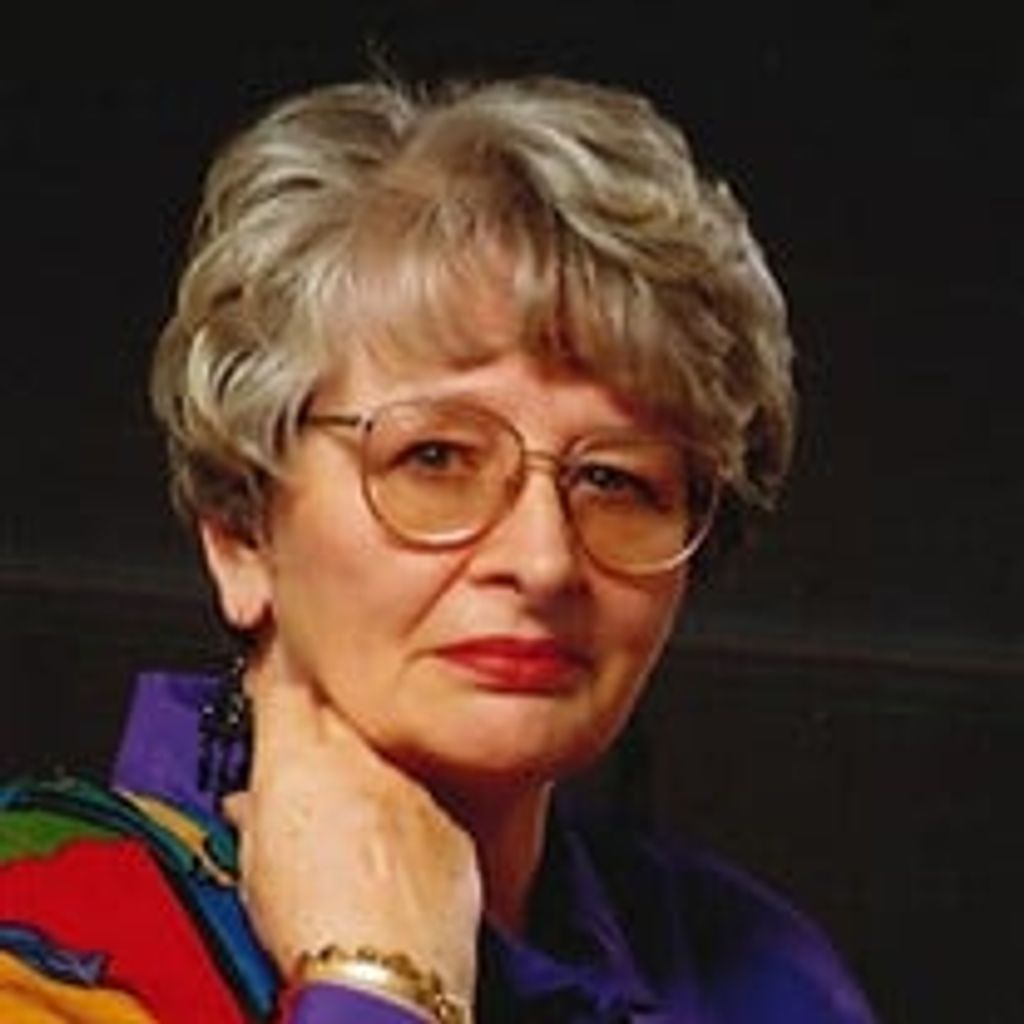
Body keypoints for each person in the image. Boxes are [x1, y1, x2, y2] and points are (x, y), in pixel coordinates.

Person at [0, 73, 876, 1022]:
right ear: (241, 531)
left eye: (615, 480)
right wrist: (377, 982)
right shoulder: (35, 932)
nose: (543, 562)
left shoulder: (766, 978)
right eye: (436, 458)